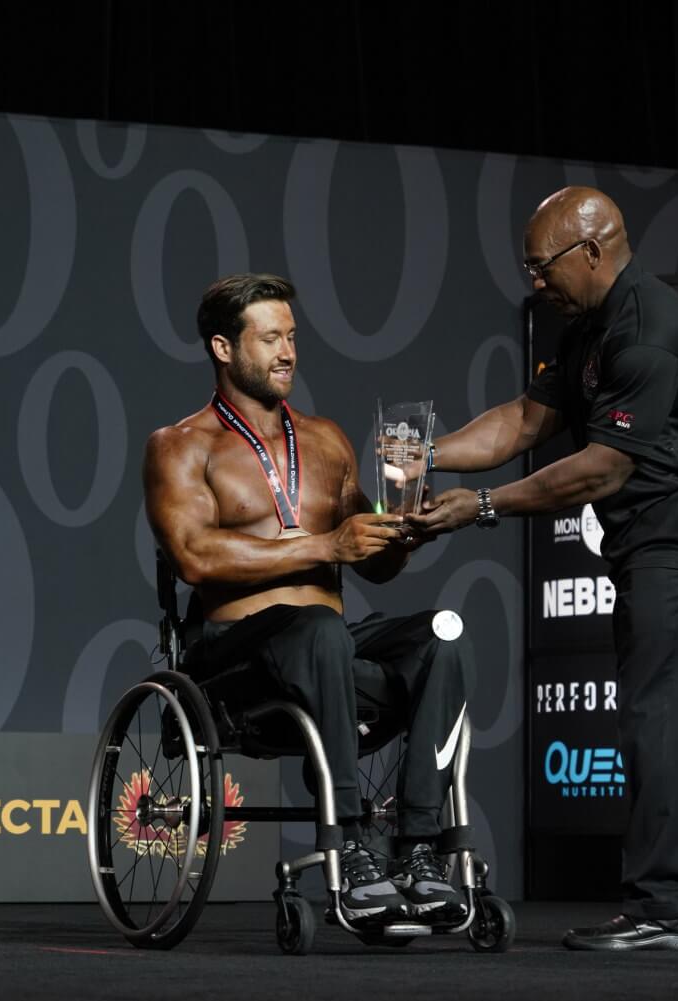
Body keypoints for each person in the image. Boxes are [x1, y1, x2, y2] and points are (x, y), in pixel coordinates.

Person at [409, 187, 678, 951]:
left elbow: (601, 468)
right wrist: (426, 454)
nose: (535, 282)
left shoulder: (649, 331)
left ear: (592, 251)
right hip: (659, 538)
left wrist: (483, 506)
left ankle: (664, 905)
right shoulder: (587, 328)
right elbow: (524, 421)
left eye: (542, 266)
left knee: (658, 716)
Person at [143, 273, 473, 927]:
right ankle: (350, 844)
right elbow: (193, 556)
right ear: (223, 348)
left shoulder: (326, 441)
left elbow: (374, 563)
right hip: (238, 659)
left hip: (328, 646)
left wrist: (406, 531)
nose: (288, 352)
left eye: (292, 337)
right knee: (319, 625)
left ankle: (419, 849)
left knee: (440, 633)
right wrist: (326, 545)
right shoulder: (181, 446)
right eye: (270, 339)